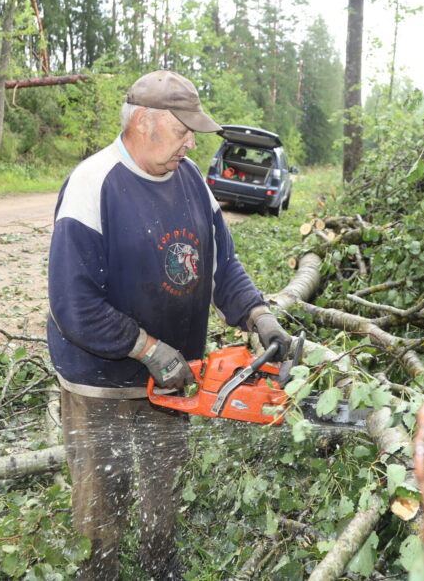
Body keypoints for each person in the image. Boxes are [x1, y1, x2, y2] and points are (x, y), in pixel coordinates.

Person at [46, 70, 291, 580]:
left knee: (165, 490)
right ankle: (100, 572)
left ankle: (162, 566)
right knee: (101, 507)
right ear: (143, 121)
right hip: (101, 383)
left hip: (177, 377)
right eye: (183, 130)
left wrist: (258, 315)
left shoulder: (193, 182)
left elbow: (224, 264)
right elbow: (74, 303)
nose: (190, 141)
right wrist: (145, 347)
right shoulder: (94, 184)